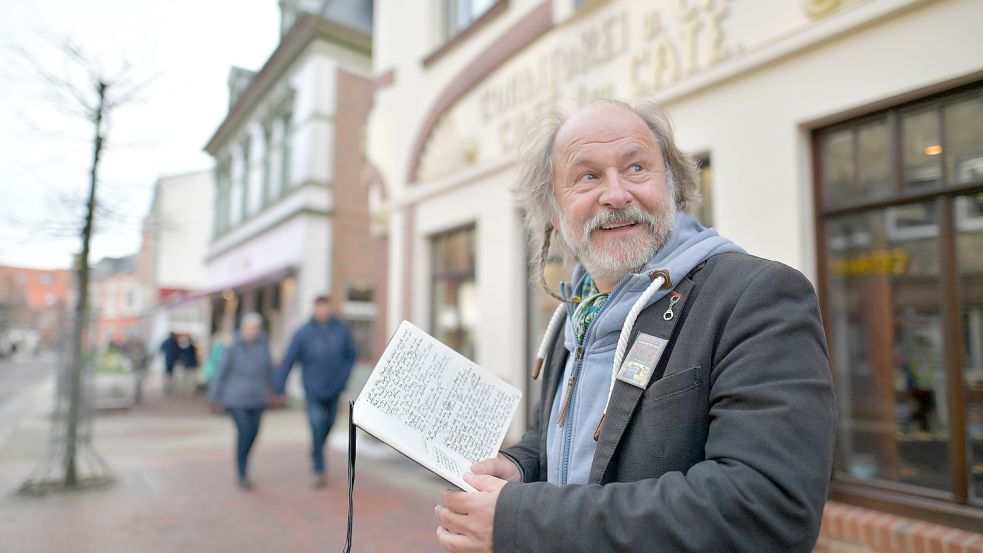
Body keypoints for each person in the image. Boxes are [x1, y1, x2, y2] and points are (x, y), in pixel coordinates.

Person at [434, 99, 836, 552]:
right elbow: (564, 442)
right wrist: (521, 468)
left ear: (672, 185)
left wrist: (522, 520)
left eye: (637, 168)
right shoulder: (576, 311)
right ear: (554, 211)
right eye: (587, 176)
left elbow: (766, 508)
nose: (617, 194)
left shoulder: (756, 296)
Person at [275, 296, 356, 488]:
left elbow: (350, 356)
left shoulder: (341, 330)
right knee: (316, 423)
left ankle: (316, 448)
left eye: (325, 307)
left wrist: (343, 379)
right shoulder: (303, 332)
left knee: (329, 424)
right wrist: (280, 386)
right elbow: (289, 359)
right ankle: (319, 468)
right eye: (319, 308)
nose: (322, 311)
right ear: (314, 309)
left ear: (329, 308)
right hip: (312, 388)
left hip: (334, 388)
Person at [208, 313, 276, 490]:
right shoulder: (232, 347)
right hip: (236, 399)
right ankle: (242, 471)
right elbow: (221, 372)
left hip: (257, 398)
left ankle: (244, 462)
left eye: (255, 328)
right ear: (242, 329)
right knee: (244, 432)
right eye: (249, 328)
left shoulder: (263, 347)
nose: (252, 332)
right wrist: (215, 396)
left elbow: (269, 370)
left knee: (253, 434)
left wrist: (277, 389)